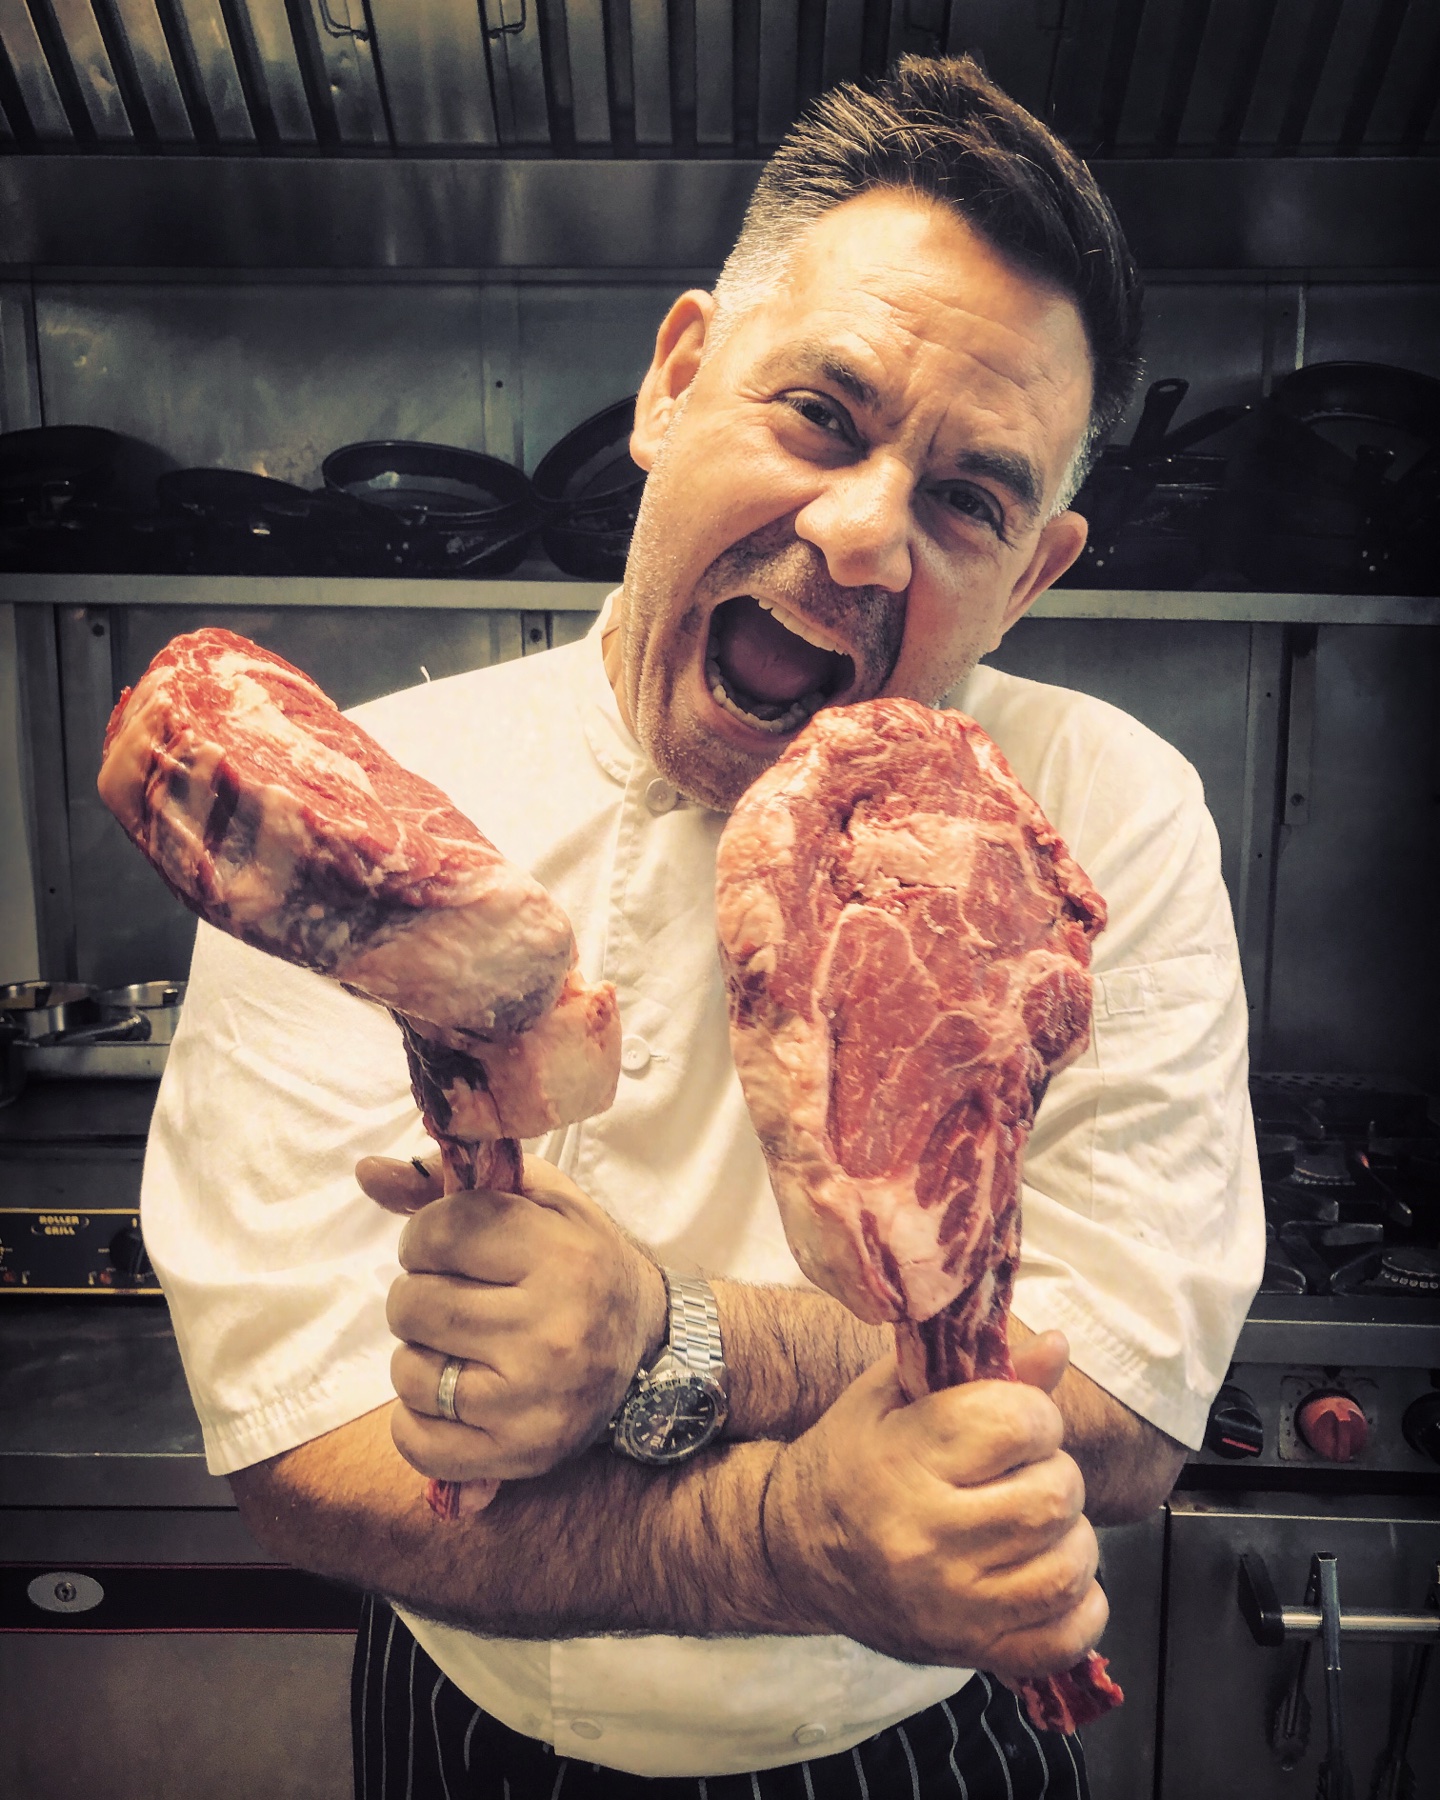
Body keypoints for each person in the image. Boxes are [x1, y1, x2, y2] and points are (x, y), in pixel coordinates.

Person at [142, 54, 1264, 1800]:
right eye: (822, 412)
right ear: (675, 380)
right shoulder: (373, 806)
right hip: (482, 1723)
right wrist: (782, 1529)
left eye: (971, 497)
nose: (866, 533)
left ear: (1036, 569)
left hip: (907, 1724)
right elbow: (302, 1445)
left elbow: (1121, 1407)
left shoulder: (1091, 814)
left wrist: (665, 1338)